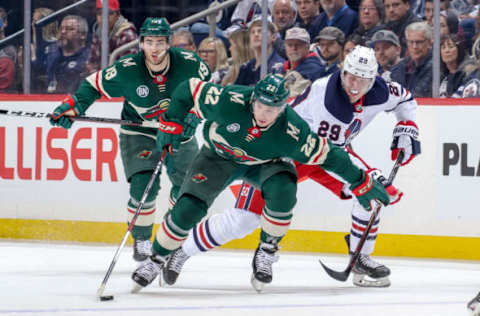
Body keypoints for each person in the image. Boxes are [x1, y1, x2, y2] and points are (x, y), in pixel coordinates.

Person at [161, 46, 420, 289]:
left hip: (322, 155)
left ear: (374, 79)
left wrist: (407, 126)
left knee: (368, 198)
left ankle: (360, 258)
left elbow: (406, 101)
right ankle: (181, 252)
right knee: (244, 221)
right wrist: (369, 176)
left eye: (363, 81)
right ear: (342, 72)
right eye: (350, 78)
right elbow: (331, 150)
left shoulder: (382, 90)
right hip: (283, 153)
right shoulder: (327, 97)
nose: (354, 86)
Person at [49, 17, 211, 263]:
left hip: (178, 131)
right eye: (149, 42)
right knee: (143, 186)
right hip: (140, 132)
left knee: (188, 188)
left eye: (159, 42)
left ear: (168, 43)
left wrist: (194, 116)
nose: (154, 49)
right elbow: (93, 85)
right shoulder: (127, 68)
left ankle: (170, 233)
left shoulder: (190, 65)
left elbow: (207, 93)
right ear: (141, 43)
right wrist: (74, 106)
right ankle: (142, 239)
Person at [85, 0, 138, 74]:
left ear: (118, 14)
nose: (103, 17)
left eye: (109, 13)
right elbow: (91, 62)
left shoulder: (127, 33)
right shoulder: (98, 33)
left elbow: (127, 68)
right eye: (100, 13)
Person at [46, 15, 90, 94]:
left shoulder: (89, 57)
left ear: (83, 35)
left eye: (70, 29)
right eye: (61, 29)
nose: (63, 32)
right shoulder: (51, 54)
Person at [235, 18, 285, 86]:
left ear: (273, 37)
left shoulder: (279, 66)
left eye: (260, 31)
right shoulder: (245, 67)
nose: (256, 34)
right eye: (253, 32)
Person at [390, 21, 433, 97]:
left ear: (429, 43)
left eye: (419, 42)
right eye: (411, 42)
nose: (414, 46)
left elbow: (419, 94)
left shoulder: (435, 66)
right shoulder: (401, 66)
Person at [282, 27, 325, 97]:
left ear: (307, 47)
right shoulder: (283, 67)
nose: (294, 48)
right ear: (285, 47)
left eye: (298, 45)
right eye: (290, 45)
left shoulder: (312, 68)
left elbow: (291, 100)